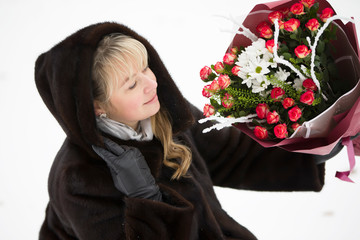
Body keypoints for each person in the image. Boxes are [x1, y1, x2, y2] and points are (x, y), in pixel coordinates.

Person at [35, 22, 329, 240]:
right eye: (131, 84)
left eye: (145, 69)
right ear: (96, 107)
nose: (151, 84)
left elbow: (229, 154)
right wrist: (145, 198)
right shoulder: (78, 179)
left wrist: (312, 150)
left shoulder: (162, 114)